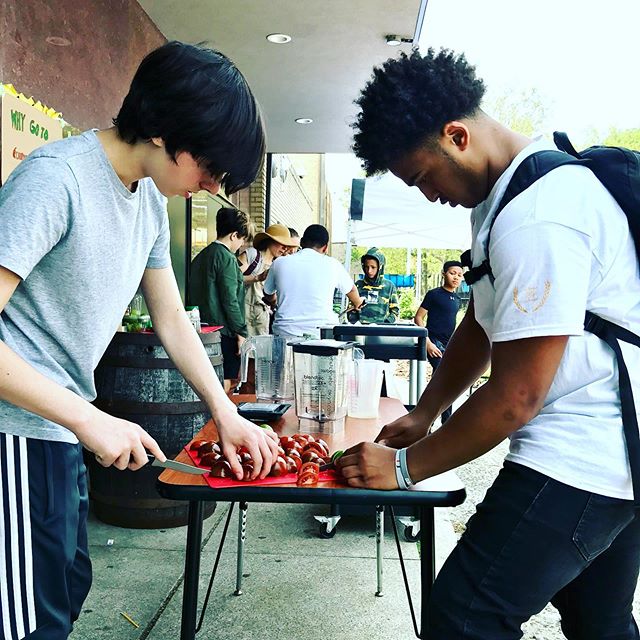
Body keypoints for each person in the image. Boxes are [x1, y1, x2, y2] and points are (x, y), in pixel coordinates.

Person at [338, 47, 640, 638]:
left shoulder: (541, 214)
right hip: (618, 452)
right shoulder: (502, 202)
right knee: (597, 620)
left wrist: (402, 469)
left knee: (463, 617)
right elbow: (482, 319)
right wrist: (425, 411)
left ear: (456, 136)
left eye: (424, 178)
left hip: (585, 452)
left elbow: (515, 397)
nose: (429, 196)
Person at [0, 41, 279, 639]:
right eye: (210, 166)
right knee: (32, 620)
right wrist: (89, 418)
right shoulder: (56, 179)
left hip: (59, 428)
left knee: (68, 588)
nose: (211, 185)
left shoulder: (150, 200)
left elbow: (173, 319)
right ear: (160, 129)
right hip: (15, 431)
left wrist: (224, 414)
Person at [188, 208, 253, 391]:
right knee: (226, 382)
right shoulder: (226, 258)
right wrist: (241, 333)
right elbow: (230, 299)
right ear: (234, 235)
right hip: (224, 331)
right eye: (241, 239)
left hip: (201, 329)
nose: (240, 245)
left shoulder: (201, 256)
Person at [263, 224, 364, 338]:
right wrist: (357, 303)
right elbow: (351, 290)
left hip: (285, 334)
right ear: (325, 248)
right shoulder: (333, 264)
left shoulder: (279, 263)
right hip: (322, 335)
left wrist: (274, 302)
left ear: (301, 242)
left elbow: (267, 292)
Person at [413, 260, 463, 422]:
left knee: (440, 384)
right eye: (452, 273)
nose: (456, 277)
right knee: (444, 380)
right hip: (433, 341)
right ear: (444, 274)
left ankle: (426, 420)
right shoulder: (434, 294)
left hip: (448, 345)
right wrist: (427, 342)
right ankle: (442, 422)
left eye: (460, 275)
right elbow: (418, 317)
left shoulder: (457, 299)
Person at [238, 223, 298, 336]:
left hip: (262, 320)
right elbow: (231, 278)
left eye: (287, 245)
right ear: (269, 240)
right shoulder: (253, 255)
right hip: (242, 317)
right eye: (282, 244)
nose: (285, 248)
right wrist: (257, 278)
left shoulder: (278, 264)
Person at [347, 247, 399, 324]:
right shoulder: (358, 285)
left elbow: (395, 311)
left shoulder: (389, 286)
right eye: (366, 267)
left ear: (380, 267)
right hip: (360, 330)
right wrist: (355, 321)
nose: (369, 271)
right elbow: (350, 309)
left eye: (373, 267)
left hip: (382, 331)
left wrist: (386, 324)